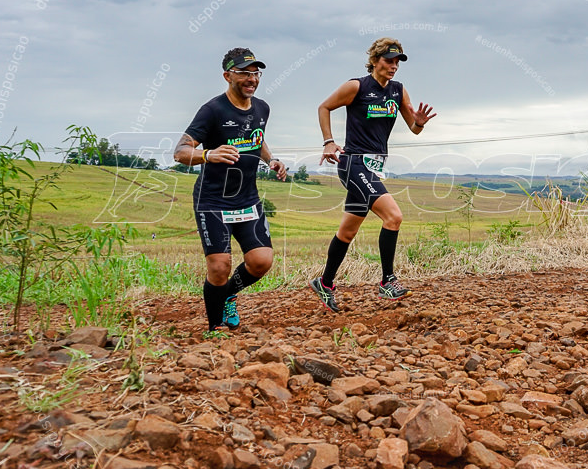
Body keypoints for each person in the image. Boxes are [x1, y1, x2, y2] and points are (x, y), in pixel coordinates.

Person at [308, 38, 436, 312]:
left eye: (398, 62)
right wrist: (328, 141)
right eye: (389, 61)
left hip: (375, 166)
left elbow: (412, 128)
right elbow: (324, 107)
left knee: (347, 231)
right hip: (354, 164)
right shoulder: (356, 86)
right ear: (375, 60)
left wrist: (420, 124)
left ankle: (325, 282)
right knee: (394, 216)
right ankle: (387, 281)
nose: (394, 67)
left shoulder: (398, 91)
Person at [173, 47, 287, 332]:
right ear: (227, 76)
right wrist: (208, 155)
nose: (251, 79)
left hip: (247, 198)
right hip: (213, 200)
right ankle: (215, 330)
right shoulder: (212, 110)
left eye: (255, 73)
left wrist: (270, 159)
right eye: (244, 74)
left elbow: (257, 138)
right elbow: (180, 151)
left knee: (262, 261)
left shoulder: (262, 108)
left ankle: (228, 295)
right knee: (219, 267)